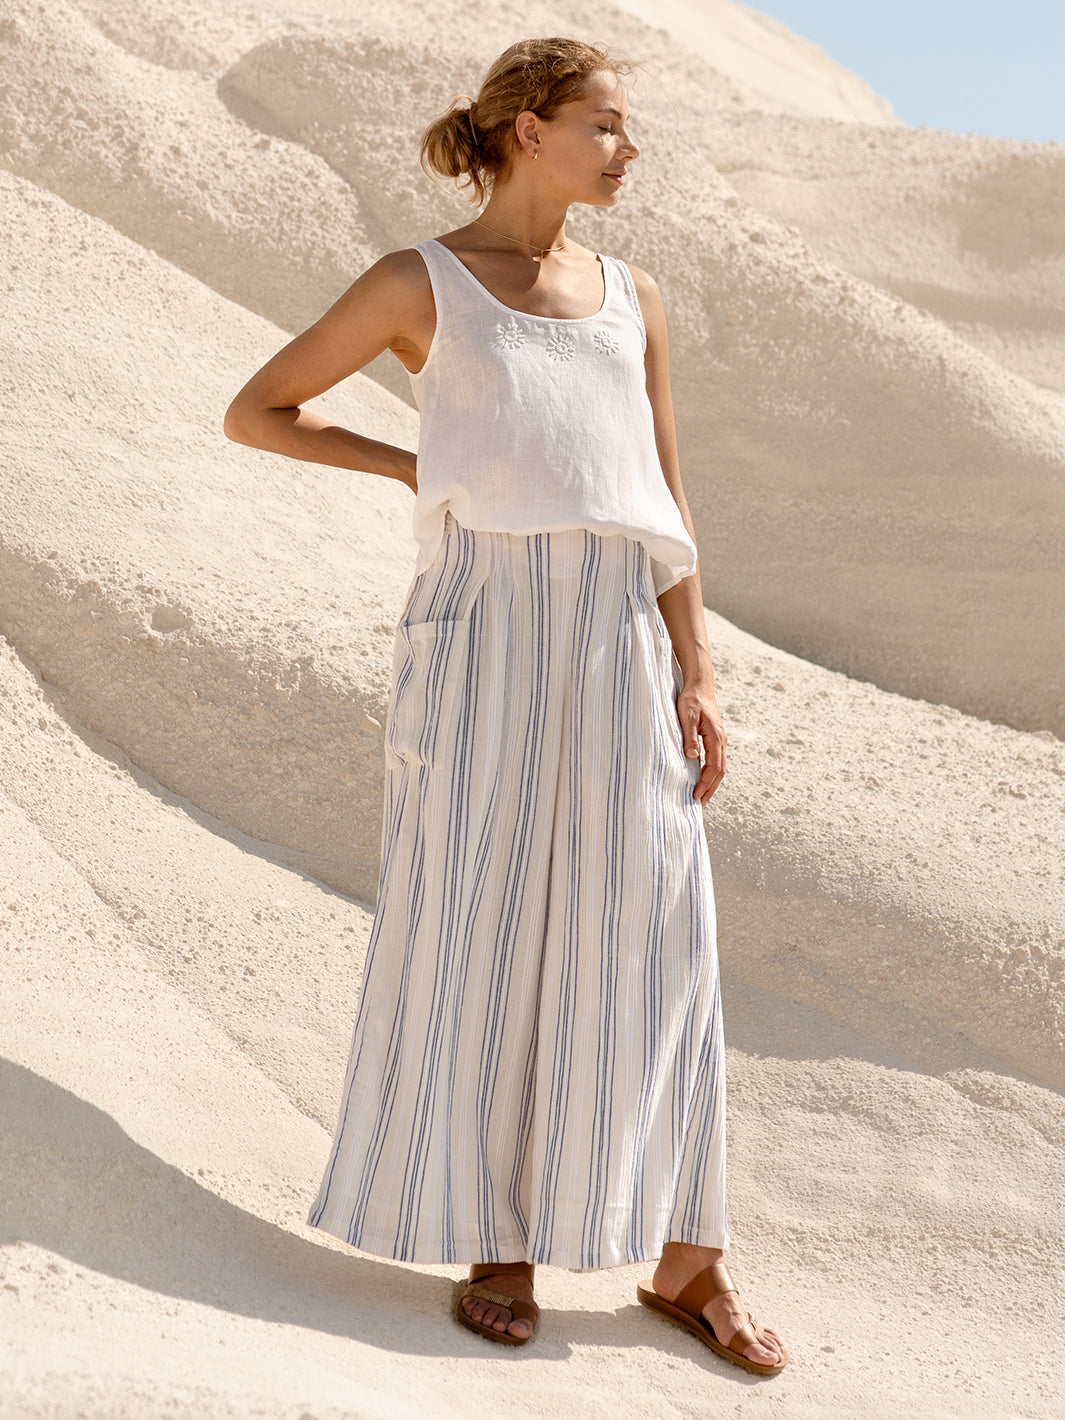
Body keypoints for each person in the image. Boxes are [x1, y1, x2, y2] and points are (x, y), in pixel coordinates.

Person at [224, 35, 787, 1375]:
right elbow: (263, 410)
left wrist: (694, 670)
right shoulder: (418, 282)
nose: (626, 147)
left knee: (659, 931)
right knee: (481, 918)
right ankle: (498, 1234)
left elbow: (660, 493)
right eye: (604, 124)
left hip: (617, 626)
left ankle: (686, 1255)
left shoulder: (629, 294)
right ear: (527, 130)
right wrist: (418, 461)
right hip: (480, 622)